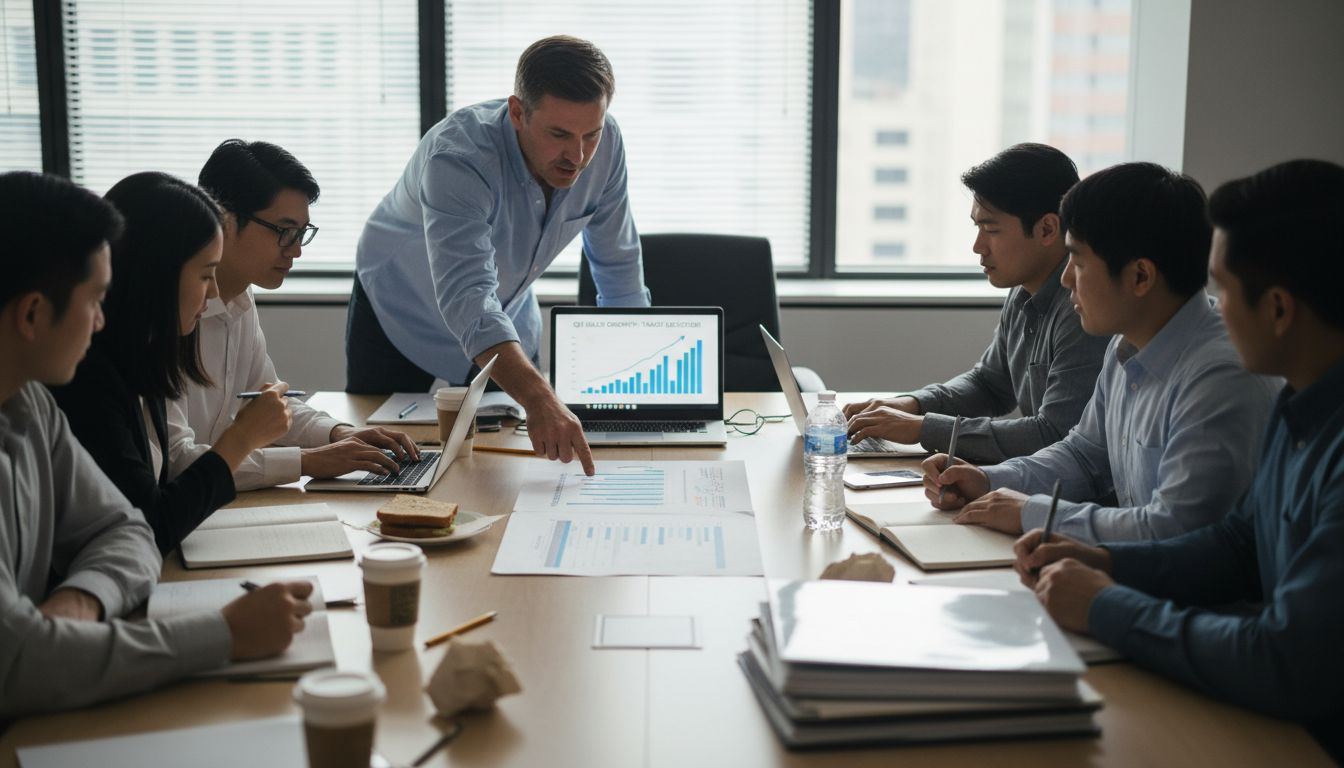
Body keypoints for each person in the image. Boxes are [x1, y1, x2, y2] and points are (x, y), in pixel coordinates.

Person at [1015, 160, 1344, 760]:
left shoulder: (1251, 388)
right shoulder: (1301, 400)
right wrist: (1107, 562)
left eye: (1222, 287)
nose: (1211, 305)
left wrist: (1106, 604)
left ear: (1277, 310)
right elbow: (1239, 545)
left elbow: (1287, 659)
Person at [0, 171, 311, 716]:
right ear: (32, 314)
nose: (101, 320)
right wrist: (224, 634)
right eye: (95, 299)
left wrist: (81, 603)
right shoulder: (70, 390)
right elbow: (22, 664)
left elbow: (127, 530)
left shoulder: (31, 407)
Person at [923, 162, 1277, 543]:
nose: (1065, 279)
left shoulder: (1218, 379)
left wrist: (1032, 514)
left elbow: (1174, 529)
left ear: (1140, 276)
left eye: (1077, 262)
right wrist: (988, 480)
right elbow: (1083, 455)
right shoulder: (1126, 345)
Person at [349, 35, 650, 476]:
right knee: (383, 467)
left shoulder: (606, 147)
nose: (578, 156)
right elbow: (468, 296)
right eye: (559, 134)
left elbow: (618, 267)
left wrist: (639, 391)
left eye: (592, 133)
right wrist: (540, 395)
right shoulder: (459, 157)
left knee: (508, 469)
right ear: (517, 112)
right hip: (401, 307)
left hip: (505, 310)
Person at [48, 172, 294, 554]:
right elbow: (151, 527)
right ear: (157, 275)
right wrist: (242, 439)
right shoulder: (87, 378)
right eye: (206, 275)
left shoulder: (140, 353)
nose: (213, 292)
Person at [163, 139, 417, 493]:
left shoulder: (240, 298)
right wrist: (307, 462)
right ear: (224, 220)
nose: (296, 250)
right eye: (284, 232)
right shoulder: (169, 313)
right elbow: (176, 462)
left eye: (301, 234)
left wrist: (340, 433)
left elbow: (270, 405)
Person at [845, 144, 1109, 463]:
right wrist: (912, 405)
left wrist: (923, 428)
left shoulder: (1084, 309)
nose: (978, 246)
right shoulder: (1024, 290)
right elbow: (989, 385)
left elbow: (1055, 434)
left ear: (1047, 229)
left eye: (991, 229)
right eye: (977, 227)